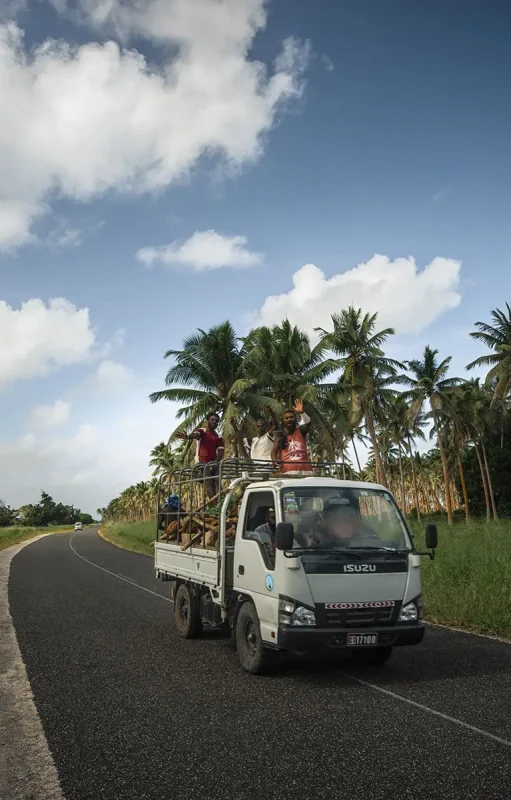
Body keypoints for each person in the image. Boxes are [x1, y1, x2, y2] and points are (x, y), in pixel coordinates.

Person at [176, 412, 225, 498]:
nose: (214, 422)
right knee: (209, 481)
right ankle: (214, 504)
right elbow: (195, 435)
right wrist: (187, 436)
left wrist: (214, 463)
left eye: (216, 421)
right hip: (202, 462)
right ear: (207, 421)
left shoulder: (218, 436)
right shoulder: (202, 431)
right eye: (212, 420)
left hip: (214, 463)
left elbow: (221, 452)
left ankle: (219, 504)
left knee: (217, 482)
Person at [272, 400, 311, 474]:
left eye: (291, 417)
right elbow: (274, 451)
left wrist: (302, 413)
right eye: (286, 418)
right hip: (288, 470)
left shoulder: (301, 430)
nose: (289, 419)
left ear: (295, 419)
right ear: (283, 420)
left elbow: (308, 423)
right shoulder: (280, 435)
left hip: (305, 469)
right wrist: (274, 461)